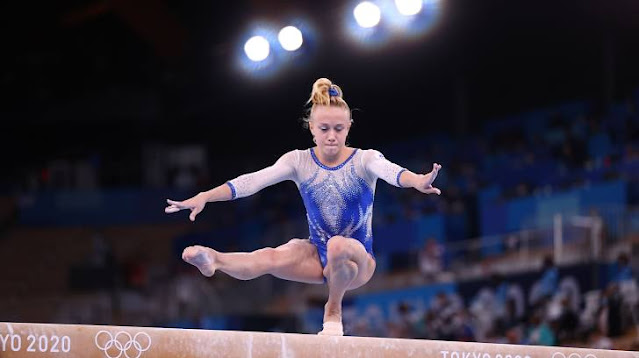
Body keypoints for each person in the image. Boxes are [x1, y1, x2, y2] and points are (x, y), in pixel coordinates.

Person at [164, 77, 442, 336]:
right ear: (311, 128)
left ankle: (333, 309)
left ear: (349, 127)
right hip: (316, 255)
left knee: (337, 245)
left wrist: (417, 180)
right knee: (271, 257)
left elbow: (391, 171)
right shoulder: (298, 161)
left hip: (358, 261)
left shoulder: (365, 159)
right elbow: (252, 182)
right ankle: (215, 260)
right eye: (324, 129)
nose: (331, 135)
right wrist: (205, 196)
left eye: (338, 128)